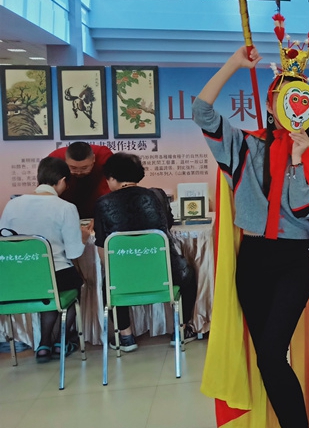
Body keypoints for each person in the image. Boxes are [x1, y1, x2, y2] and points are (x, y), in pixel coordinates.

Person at [193, 46, 309, 428]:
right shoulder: (244, 147)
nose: (292, 105)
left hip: (295, 259)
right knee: (267, 358)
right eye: (284, 97)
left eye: (300, 98)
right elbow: (201, 111)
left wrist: (300, 163)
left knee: (272, 352)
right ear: (271, 104)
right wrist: (234, 64)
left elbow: (305, 213)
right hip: (253, 259)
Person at [93, 153, 198, 352]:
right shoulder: (156, 195)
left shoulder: (102, 204)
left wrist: (116, 272)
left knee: (110, 283)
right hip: (165, 273)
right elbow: (167, 225)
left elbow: (102, 247)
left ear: (112, 178)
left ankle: (126, 337)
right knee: (188, 275)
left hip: (124, 277)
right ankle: (181, 330)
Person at [0, 157, 90, 362]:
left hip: (18, 278)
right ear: (62, 180)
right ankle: (60, 341)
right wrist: (83, 237)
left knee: (48, 290)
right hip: (56, 275)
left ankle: (43, 344)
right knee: (74, 286)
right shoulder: (65, 207)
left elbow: (4, 243)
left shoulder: (12, 205)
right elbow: (74, 253)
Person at [48, 142, 114, 218]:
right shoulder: (55, 158)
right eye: (73, 168)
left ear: (94, 158)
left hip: (99, 206)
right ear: (65, 160)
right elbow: (46, 190)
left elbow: (116, 187)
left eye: (84, 168)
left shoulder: (104, 156)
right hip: (64, 209)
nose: (79, 172)